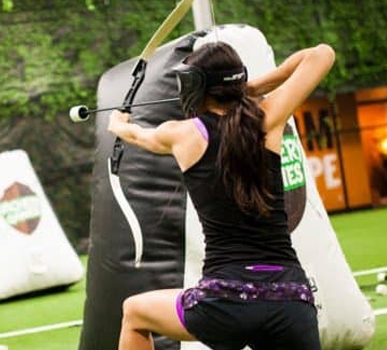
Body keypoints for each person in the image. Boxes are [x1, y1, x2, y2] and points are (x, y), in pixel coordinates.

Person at [108, 41, 335, 350]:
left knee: (134, 312)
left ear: (196, 86)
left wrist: (119, 126)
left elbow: (137, 135)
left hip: (225, 301)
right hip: (290, 299)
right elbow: (321, 54)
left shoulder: (183, 133)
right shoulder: (268, 118)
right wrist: (251, 87)